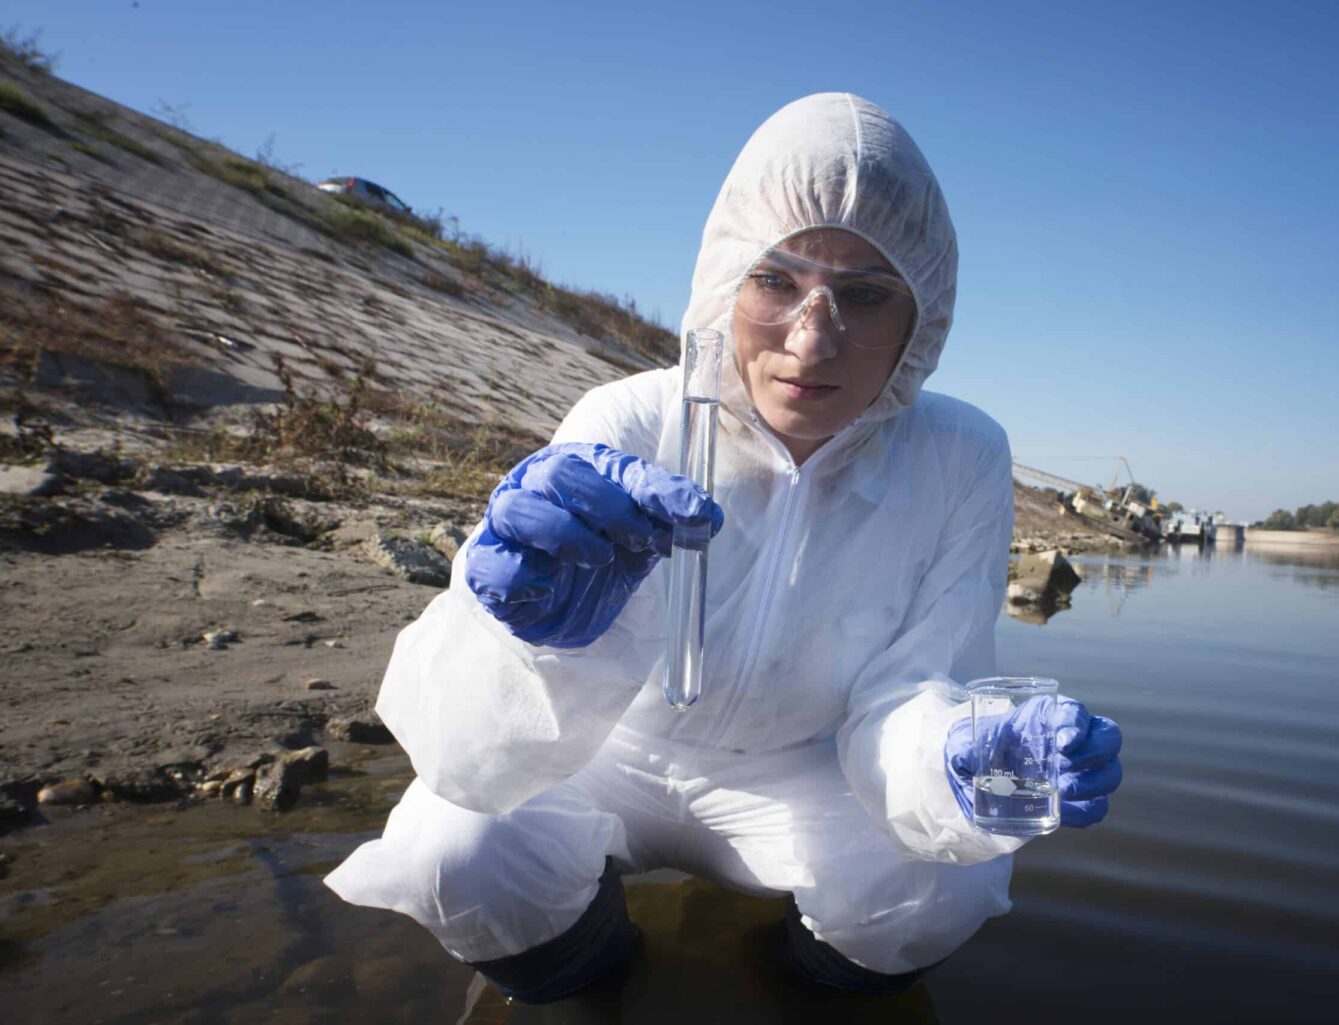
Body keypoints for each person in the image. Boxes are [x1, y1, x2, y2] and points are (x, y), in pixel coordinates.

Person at [325, 92, 1123, 1003]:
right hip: (610, 758)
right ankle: (591, 981)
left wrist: (954, 756)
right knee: (453, 848)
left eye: (864, 294)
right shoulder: (629, 417)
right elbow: (467, 749)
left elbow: (910, 687)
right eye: (776, 281)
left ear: (924, 317)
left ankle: (796, 991)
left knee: (945, 885)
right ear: (721, 282)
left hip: (802, 768)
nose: (812, 341)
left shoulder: (958, 456)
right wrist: (521, 630)